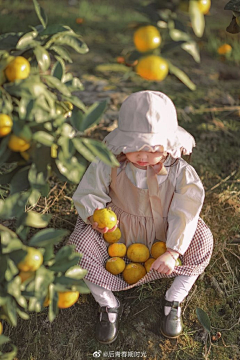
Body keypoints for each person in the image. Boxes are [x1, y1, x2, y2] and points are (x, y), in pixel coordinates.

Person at [68, 90, 213, 344]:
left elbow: (186, 210)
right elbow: (90, 191)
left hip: (165, 234)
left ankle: (174, 298)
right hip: (117, 235)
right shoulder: (110, 164)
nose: (143, 156)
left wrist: (174, 251)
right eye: (135, 148)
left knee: (202, 239)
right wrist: (95, 218)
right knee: (78, 247)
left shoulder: (179, 172)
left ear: (168, 145)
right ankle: (108, 303)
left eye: (152, 149)